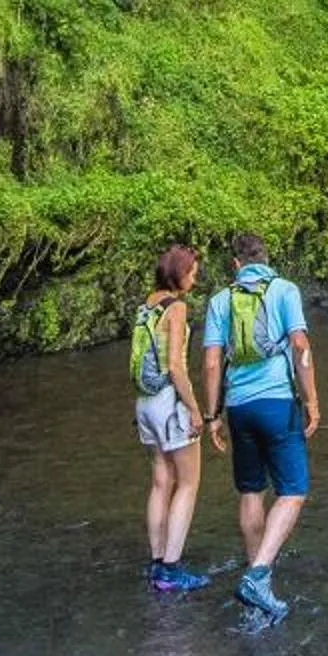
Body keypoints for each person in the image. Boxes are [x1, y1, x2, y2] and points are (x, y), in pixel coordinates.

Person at [198, 230, 320, 621]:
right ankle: (259, 574)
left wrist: (212, 414)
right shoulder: (285, 290)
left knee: (251, 491)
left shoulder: (220, 300)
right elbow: (300, 347)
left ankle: (257, 594)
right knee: (294, 490)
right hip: (277, 402)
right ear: (266, 259)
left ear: (236, 264)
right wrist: (313, 401)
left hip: (238, 407)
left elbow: (212, 363)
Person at [129, 244, 212, 592]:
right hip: (168, 403)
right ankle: (171, 569)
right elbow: (176, 367)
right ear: (178, 273)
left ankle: (156, 562)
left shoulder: (148, 304)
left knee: (161, 481)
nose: (194, 279)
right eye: (191, 272)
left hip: (145, 403)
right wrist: (196, 410)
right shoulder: (176, 309)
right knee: (189, 483)